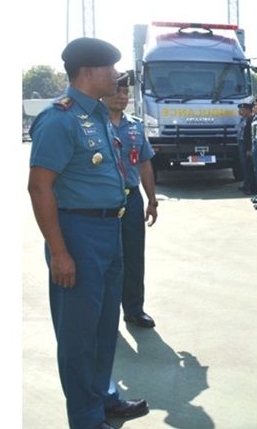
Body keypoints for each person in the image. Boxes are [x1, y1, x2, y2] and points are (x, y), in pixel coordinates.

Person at [27, 37, 149, 429]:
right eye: (111, 69)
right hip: (77, 234)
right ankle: (85, 417)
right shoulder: (59, 119)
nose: (116, 76)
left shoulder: (98, 116)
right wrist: (59, 251)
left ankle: (104, 396)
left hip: (109, 229)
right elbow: (39, 187)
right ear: (89, 72)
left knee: (102, 326)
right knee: (78, 334)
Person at [101, 71, 158, 329]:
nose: (122, 97)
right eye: (117, 92)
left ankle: (134, 309)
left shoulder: (134, 126)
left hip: (131, 197)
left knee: (134, 256)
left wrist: (152, 199)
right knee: (106, 257)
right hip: (102, 200)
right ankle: (105, 313)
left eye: (125, 93)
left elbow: (144, 164)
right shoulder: (94, 123)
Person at [237, 102, 257, 195]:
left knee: (248, 167)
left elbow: (249, 136)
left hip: (246, 145)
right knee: (244, 166)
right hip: (241, 143)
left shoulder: (250, 119)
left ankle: (250, 187)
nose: (240, 112)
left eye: (242, 110)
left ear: (248, 110)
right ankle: (246, 184)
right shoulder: (242, 119)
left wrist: (249, 148)